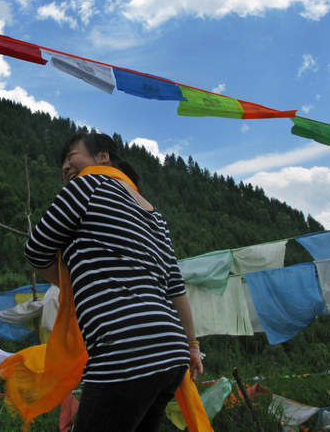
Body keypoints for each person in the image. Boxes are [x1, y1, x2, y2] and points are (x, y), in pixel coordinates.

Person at [23, 131, 204, 432]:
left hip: (125, 348)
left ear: (102, 157)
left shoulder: (89, 183)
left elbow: (36, 248)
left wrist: (71, 282)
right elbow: (175, 288)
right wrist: (193, 346)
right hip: (172, 352)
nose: (65, 166)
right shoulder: (154, 214)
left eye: (71, 156)